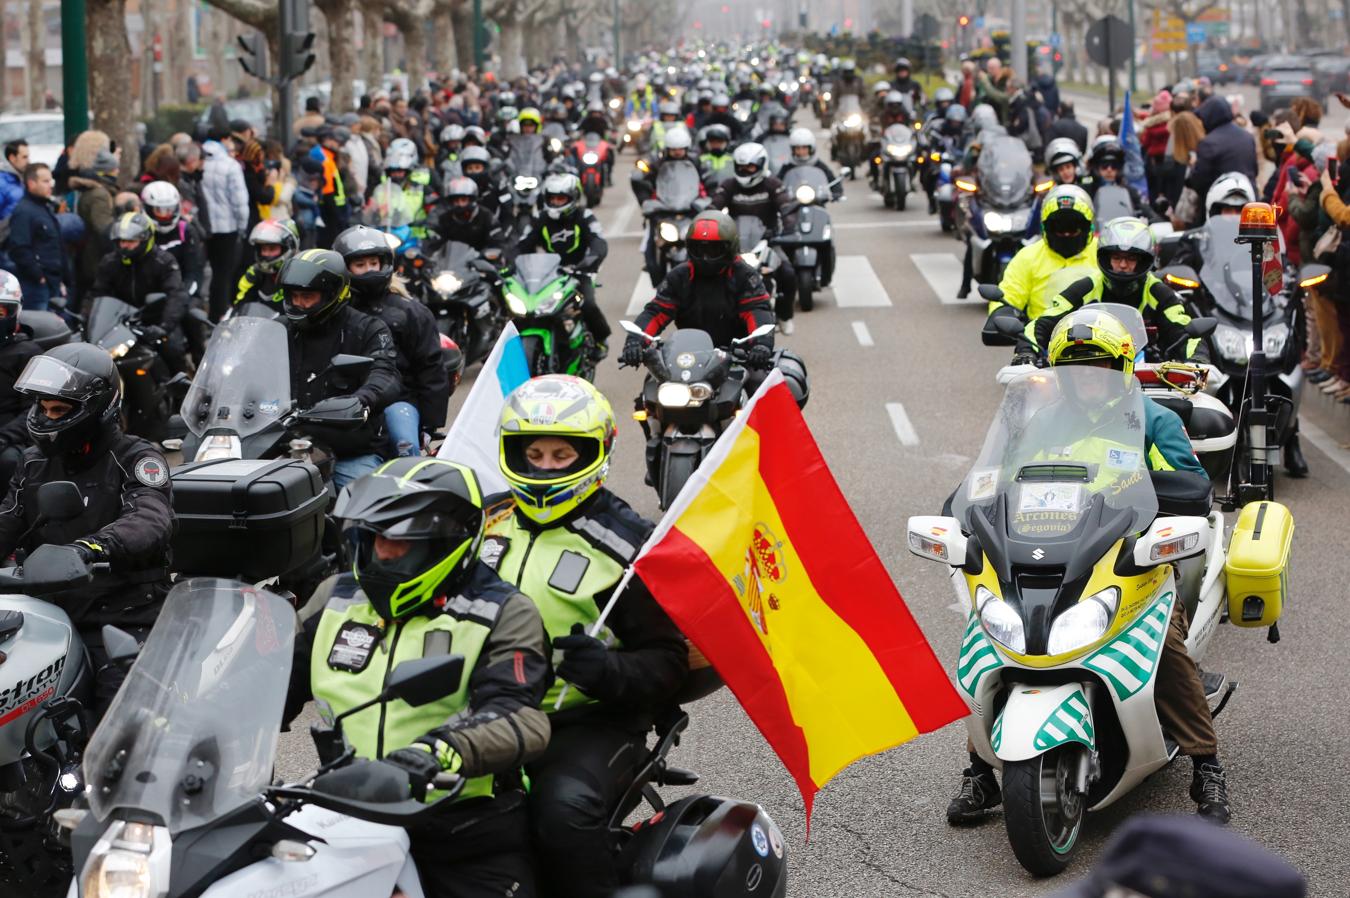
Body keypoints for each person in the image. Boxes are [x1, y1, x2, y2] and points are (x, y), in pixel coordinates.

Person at [948, 307, 1230, 827]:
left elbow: (1192, 486)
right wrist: (965, 502)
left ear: (1121, 368)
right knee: (990, 637)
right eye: (1076, 370)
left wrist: (1148, 493)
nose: (1088, 379)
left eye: (1099, 368)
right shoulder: (1040, 420)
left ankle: (1205, 764)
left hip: (1129, 561)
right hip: (1049, 553)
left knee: (1163, 644)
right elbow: (996, 476)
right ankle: (981, 771)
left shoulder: (1153, 420)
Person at [288, 457, 550, 898]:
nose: (382, 552)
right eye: (374, 537)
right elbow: (269, 675)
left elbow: (519, 716)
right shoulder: (336, 598)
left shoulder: (502, 612)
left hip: (461, 827)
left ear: (448, 541)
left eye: (400, 541)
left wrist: (440, 752)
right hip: (346, 813)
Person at [484, 375, 687, 898]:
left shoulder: (628, 545)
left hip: (583, 722)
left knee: (562, 815)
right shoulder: (481, 523)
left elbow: (669, 660)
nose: (546, 468)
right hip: (480, 712)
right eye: (534, 453)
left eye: (561, 455)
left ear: (594, 453)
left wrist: (607, 670)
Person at [0, 342, 174, 718]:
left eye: (59, 409)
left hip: (120, 615)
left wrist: (89, 548)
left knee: (114, 726)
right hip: (48, 614)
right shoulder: (32, 463)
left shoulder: (137, 458)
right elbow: (7, 522)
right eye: (43, 408)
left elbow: (150, 518)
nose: (47, 418)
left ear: (97, 407)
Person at [277, 249, 401, 489]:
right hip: (281, 442)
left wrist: (361, 400)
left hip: (349, 449)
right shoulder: (279, 330)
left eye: (307, 296)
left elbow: (385, 374)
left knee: (361, 509)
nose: (298, 304)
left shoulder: (369, 329)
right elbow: (245, 370)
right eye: (294, 296)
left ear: (333, 293)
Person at [332, 225, 450, 457]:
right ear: (345, 268)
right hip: (345, 402)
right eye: (360, 265)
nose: (368, 270)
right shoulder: (334, 312)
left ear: (384, 264)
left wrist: (429, 424)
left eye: (373, 263)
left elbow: (431, 368)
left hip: (398, 401)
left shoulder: (411, 312)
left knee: (403, 445)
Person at [1034, 216, 1210, 364]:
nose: (1123, 265)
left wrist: (1198, 358)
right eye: (1116, 257)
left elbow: (1184, 329)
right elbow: (1044, 322)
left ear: (1143, 260)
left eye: (1131, 258)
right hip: (1088, 378)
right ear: (1105, 257)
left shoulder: (1159, 293)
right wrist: (1027, 352)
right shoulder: (1086, 287)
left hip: (1149, 382)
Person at [623, 210, 774, 363]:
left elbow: (757, 310)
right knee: (653, 384)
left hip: (739, 358)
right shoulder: (679, 276)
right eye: (699, 250)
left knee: (763, 382)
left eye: (713, 250)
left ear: (730, 248)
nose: (705, 257)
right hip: (688, 358)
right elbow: (656, 312)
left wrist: (761, 345)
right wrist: (635, 341)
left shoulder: (744, 275)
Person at [984, 184, 1098, 355]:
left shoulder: (1103, 254)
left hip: (1102, 342)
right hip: (1043, 345)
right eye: (1059, 228)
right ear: (1045, 228)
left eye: (1073, 227)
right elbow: (1008, 294)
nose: (1066, 235)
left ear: (1088, 227)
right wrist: (1001, 315)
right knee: (1015, 378)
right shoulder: (1028, 257)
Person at [517, 173, 612, 359]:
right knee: (523, 309)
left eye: (561, 198)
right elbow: (522, 244)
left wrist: (591, 259)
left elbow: (599, 242)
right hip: (549, 274)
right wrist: (510, 263)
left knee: (588, 304)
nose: (556, 202)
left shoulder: (585, 215)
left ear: (574, 197)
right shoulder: (540, 219)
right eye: (552, 198)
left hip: (579, 271)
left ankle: (601, 340)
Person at [710, 143, 799, 333]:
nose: (745, 171)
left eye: (750, 167)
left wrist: (789, 225)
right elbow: (713, 207)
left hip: (768, 242)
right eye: (741, 167)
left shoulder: (773, 184)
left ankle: (785, 315)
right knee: (711, 273)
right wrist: (707, 222)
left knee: (788, 273)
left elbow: (787, 207)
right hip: (735, 243)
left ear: (761, 165)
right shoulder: (728, 185)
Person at [91, 211, 191, 372]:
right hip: (120, 323)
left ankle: (180, 391)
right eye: (122, 240)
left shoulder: (164, 261)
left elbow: (176, 295)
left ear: (146, 239)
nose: (125, 245)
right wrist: (88, 320)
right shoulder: (110, 262)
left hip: (155, 322)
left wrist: (164, 327)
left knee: (173, 350)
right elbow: (98, 294)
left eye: (131, 241)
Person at [777, 127, 840, 285]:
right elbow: (777, 184)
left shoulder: (819, 165)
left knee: (827, 239)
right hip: (793, 210)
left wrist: (837, 192)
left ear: (811, 149)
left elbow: (833, 181)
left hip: (816, 207)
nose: (801, 152)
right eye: (797, 148)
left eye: (804, 148)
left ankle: (826, 272)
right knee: (784, 240)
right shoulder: (787, 167)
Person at [5, 163, 68, 311]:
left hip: (51, 282)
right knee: (39, 329)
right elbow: (19, 248)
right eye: (45, 181)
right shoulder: (24, 211)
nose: (50, 185)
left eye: (50, 181)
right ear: (31, 183)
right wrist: (39, 276)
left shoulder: (43, 207)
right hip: (37, 286)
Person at [201, 134, 250, 320]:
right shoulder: (230, 165)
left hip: (206, 226)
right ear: (224, 139)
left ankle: (211, 311)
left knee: (209, 271)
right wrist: (242, 226)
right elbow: (239, 200)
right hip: (227, 226)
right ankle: (219, 312)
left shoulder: (201, 161)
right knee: (223, 273)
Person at [0, 273, 43, 485]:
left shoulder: (28, 354)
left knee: (9, 462)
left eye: (0, 311)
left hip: (12, 436)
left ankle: (10, 513)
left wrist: (4, 437)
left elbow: (36, 408)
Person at [1187, 95, 1258, 220]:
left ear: (1209, 118)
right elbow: (1254, 170)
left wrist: (1192, 170)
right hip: (1248, 200)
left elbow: (1199, 180)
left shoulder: (1209, 142)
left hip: (1221, 208)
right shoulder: (1247, 137)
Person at [141, 180, 205, 290]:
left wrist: (183, 295)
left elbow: (194, 269)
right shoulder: (140, 232)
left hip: (178, 290)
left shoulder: (186, 231)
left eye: (169, 210)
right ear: (148, 209)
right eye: (159, 211)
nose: (165, 215)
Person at [428, 176, 509, 257]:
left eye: (463, 200)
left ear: (471, 199)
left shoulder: (486, 216)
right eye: (456, 201)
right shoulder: (445, 219)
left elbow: (497, 242)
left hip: (480, 262)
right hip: (452, 264)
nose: (460, 204)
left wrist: (487, 254)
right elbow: (435, 243)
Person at [234, 218, 300, 310]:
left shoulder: (300, 274)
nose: (266, 254)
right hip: (260, 322)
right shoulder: (254, 272)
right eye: (263, 249)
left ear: (288, 247)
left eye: (272, 248)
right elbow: (241, 303)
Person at [697, 123, 734, 187]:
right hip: (707, 194)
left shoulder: (733, 160)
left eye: (719, 141)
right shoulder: (700, 160)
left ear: (726, 142)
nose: (716, 144)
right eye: (712, 141)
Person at [0, 139, 27, 223]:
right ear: (12, 158)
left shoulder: (22, 179)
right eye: (24, 157)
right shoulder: (2, 182)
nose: (28, 161)